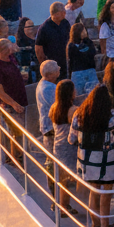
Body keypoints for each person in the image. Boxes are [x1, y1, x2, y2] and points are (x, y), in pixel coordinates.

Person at [68, 84, 114, 227]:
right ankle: (105, 226)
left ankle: (95, 223)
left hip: (87, 162)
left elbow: (71, 139)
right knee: (106, 195)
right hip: (108, 163)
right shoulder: (113, 117)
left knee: (93, 192)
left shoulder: (79, 115)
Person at [0, 38, 31, 164]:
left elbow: (18, 68)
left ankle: (18, 157)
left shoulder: (10, 59)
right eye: (11, 47)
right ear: (6, 50)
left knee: (19, 131)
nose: (13, 48)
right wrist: (13, 104)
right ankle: (16, 158)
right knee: (16, 132)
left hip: (20, 100)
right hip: (9, 105)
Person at [50, 79, 79, 217]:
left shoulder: (54, 107)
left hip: (58, 146)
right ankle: (64, 206)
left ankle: (63, 205)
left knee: (63, 179)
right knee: (72, 177)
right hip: (70, 147)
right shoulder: (73, 110)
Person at [36, 2, 71, 80]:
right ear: (56, 14)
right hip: (53, 65)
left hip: (65, 62)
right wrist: (44, 65)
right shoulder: (44, 28)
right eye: (62, 12)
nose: (65, 13)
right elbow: (38, 49)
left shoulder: (65, 23)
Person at [36, 60, 60, 156]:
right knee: (53, 156)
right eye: (57, 70)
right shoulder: (48, 88)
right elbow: (58, 105)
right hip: (50, 127)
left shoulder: (45, 84)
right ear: (50, 75)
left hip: (48, 125)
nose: (59, 70)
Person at [67, 21, 99, 96]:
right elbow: (72, 60)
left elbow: (92, 53)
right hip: (77, 73)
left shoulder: (89, 42)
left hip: (90, 70)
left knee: (94, 94)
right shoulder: (71, 46)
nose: (85, 32)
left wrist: (86, 40)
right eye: (83, 30)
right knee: (79, 96)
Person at [15, 17, 40, 83]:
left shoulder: (36, 39)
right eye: (28, 27)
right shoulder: (22, 44)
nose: (31, 28)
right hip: (31, 74)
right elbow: (23, 64)